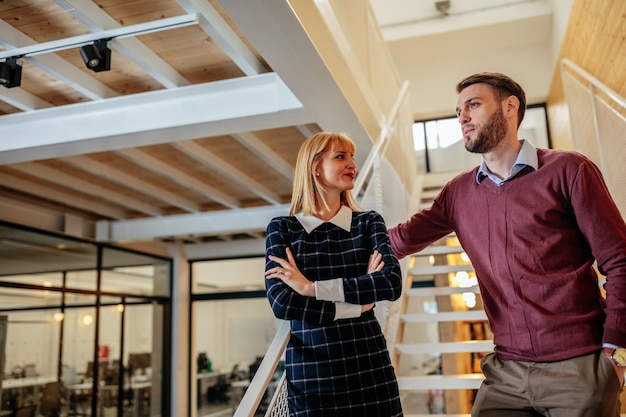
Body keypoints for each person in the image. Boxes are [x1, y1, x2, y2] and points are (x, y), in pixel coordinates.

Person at [389, 72, 626, 417]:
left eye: (473, 105)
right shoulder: (458, 193)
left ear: (510, 106)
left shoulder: (569, 170)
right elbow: (400, 239)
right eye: (458, 112)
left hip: (579, 365)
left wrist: (615, 350)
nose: (463, 119)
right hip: (506, 371)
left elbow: (620, 260)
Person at [264, 132, 403, 417]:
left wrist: (310, 288)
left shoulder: (368, 222)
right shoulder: (283, 229)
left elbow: (390, 283)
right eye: (341, 156)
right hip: (313, 377)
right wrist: (356, 305)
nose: (352, 163)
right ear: (315, 167)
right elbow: (283, 303)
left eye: (352, 156)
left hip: (370, 369)